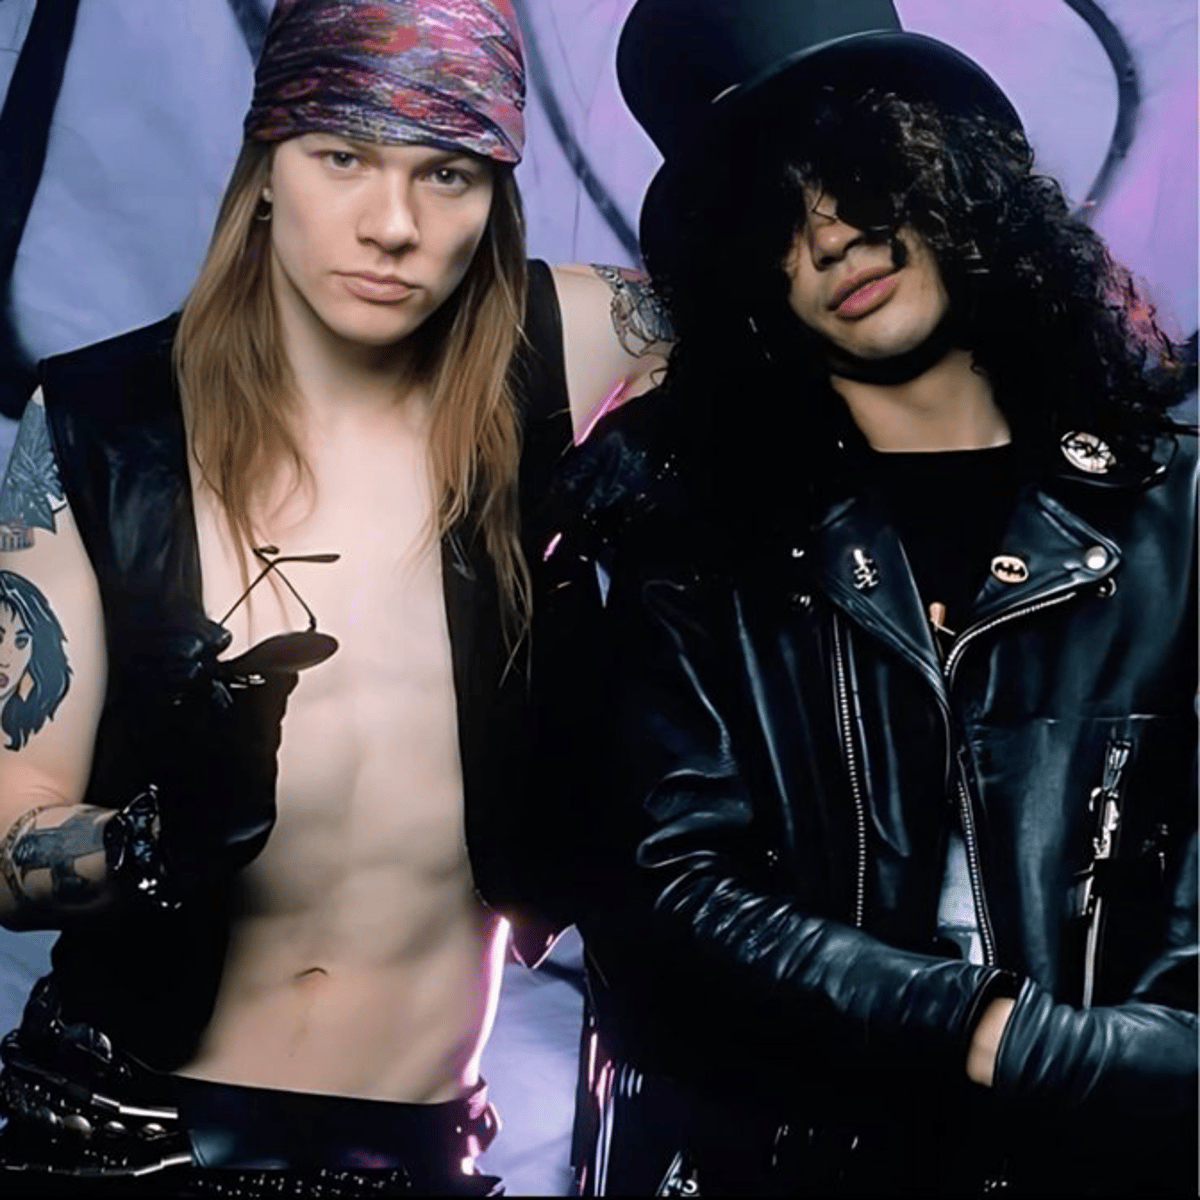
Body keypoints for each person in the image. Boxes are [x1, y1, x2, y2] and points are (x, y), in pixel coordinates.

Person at [0, 0, 668, 1194]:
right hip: (115, 1130)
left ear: (495, 198)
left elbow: (841, 309)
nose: (394, 225)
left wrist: (681, 430)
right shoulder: (102, 423)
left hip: (415, 1150)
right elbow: (8, 839)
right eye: (342, 156)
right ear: (266, 166)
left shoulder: (569, 346)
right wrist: (154, 835)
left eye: (447, 173)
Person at [535, 1, 1198, 1194]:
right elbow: (670, 901)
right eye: (775, 216)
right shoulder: (693, 542)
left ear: (956, 176)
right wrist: (984, 1029)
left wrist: (1072, 1063)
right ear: (744, 273)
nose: (833, 235)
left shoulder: (1177, 515)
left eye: (861, 172)